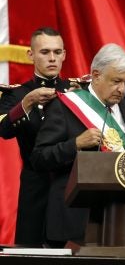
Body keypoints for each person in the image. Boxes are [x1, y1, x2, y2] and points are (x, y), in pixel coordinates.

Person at [30, 43, 125, 246]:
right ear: (96, 75)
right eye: (116, 81)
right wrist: (75, 144)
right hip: (74, 218)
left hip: (119, 216)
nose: (122, 89)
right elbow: (39, 158)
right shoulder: (64, 106)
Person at [0, 27, 73, 246]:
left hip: (69, 185)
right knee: (30, 249)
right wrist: (27, 103)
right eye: (45, 52)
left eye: (57, 52)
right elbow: (3, 130)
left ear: (64, 55)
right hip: (35, 187)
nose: (52, 58)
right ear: (30, 55)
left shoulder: (78, 92)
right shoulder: (17, 94)